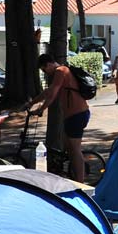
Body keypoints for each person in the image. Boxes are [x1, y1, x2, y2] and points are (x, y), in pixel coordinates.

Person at [29, 53, 90, 182]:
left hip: (77, 114)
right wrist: (31, 103)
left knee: (74, 149)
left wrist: (41, 110)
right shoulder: (61, 71)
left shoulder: (60, 71)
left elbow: (52, 94)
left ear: (49, 64)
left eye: (44, 69)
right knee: (68, 147)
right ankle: (73, 175)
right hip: (72, 115)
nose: (45, 72)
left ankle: (80, 182)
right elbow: (47, 92)